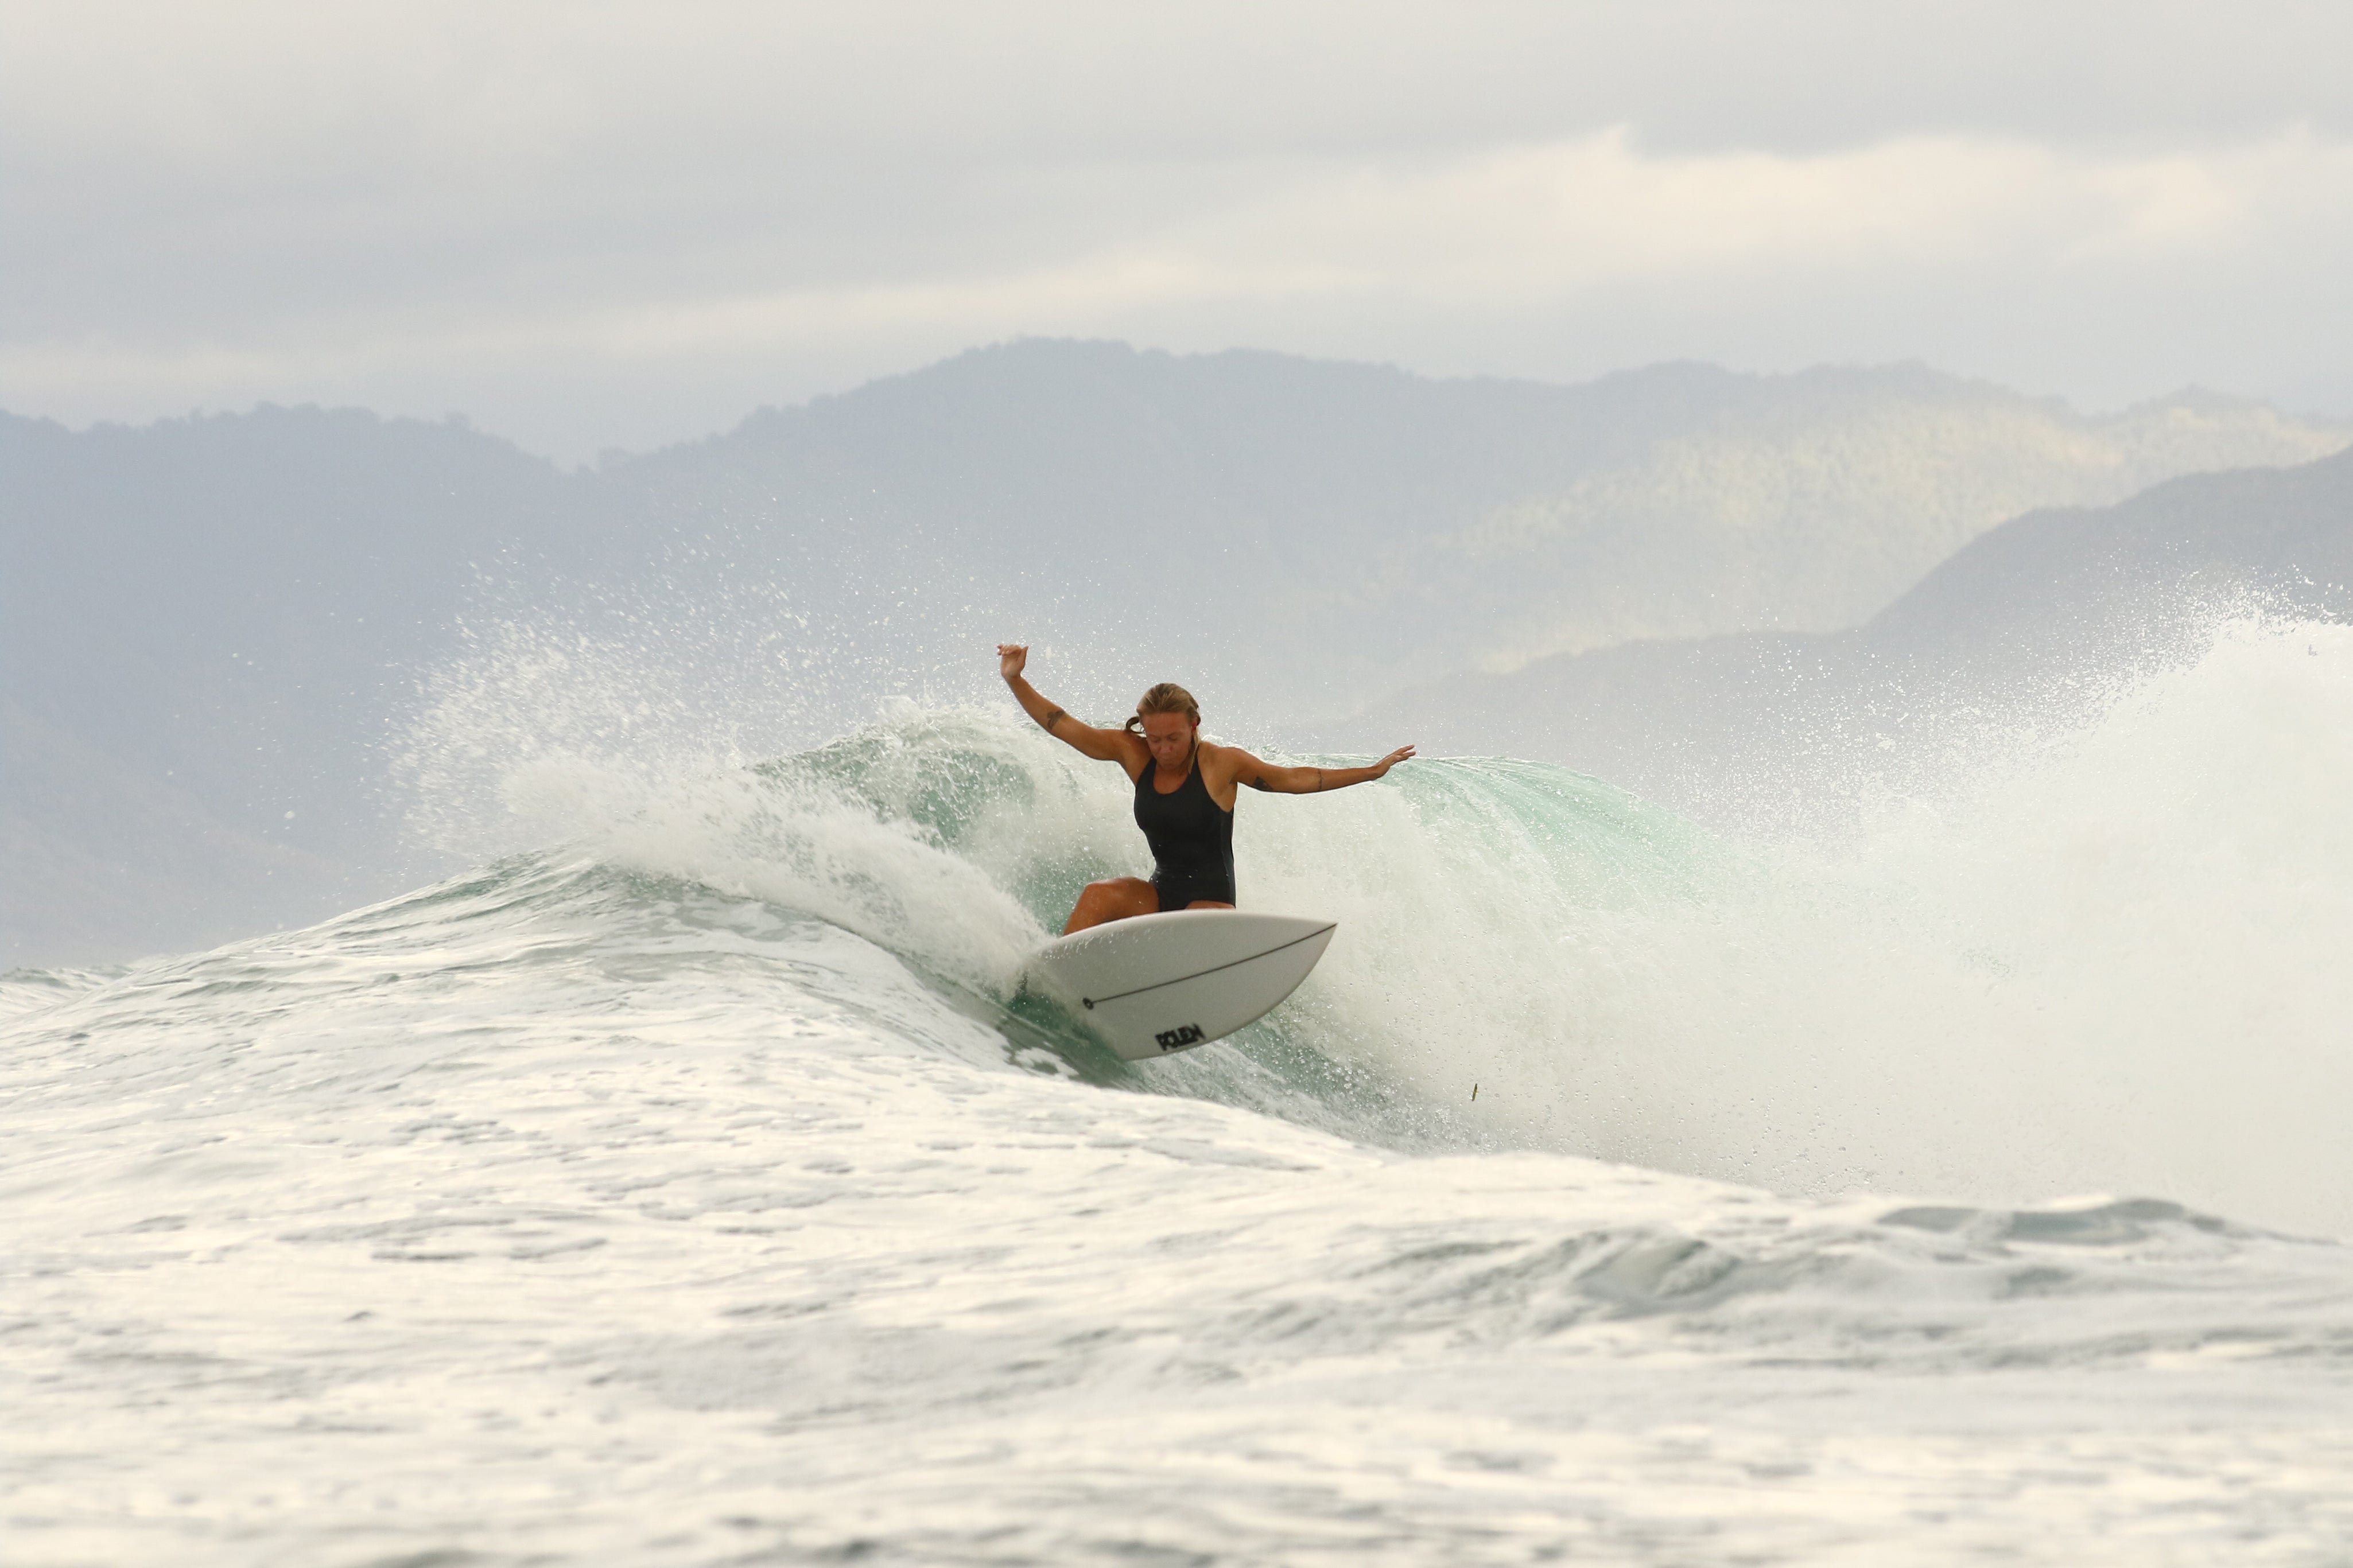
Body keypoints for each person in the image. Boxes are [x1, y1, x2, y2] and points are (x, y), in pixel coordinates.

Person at [997, 644, 1415, 933]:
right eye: (1155, 738)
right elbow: (1064, 725)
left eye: (1173, 738)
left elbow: (1293, 779)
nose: (1162, 748)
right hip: (1161, 895)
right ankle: (1057, 984)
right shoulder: (1135, 753)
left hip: (1211, 908)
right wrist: (1017, 680)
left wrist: (1371, 771)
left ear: (1194, 725)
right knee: (1097, 895)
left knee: (1186, 926)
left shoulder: (1219, 763)